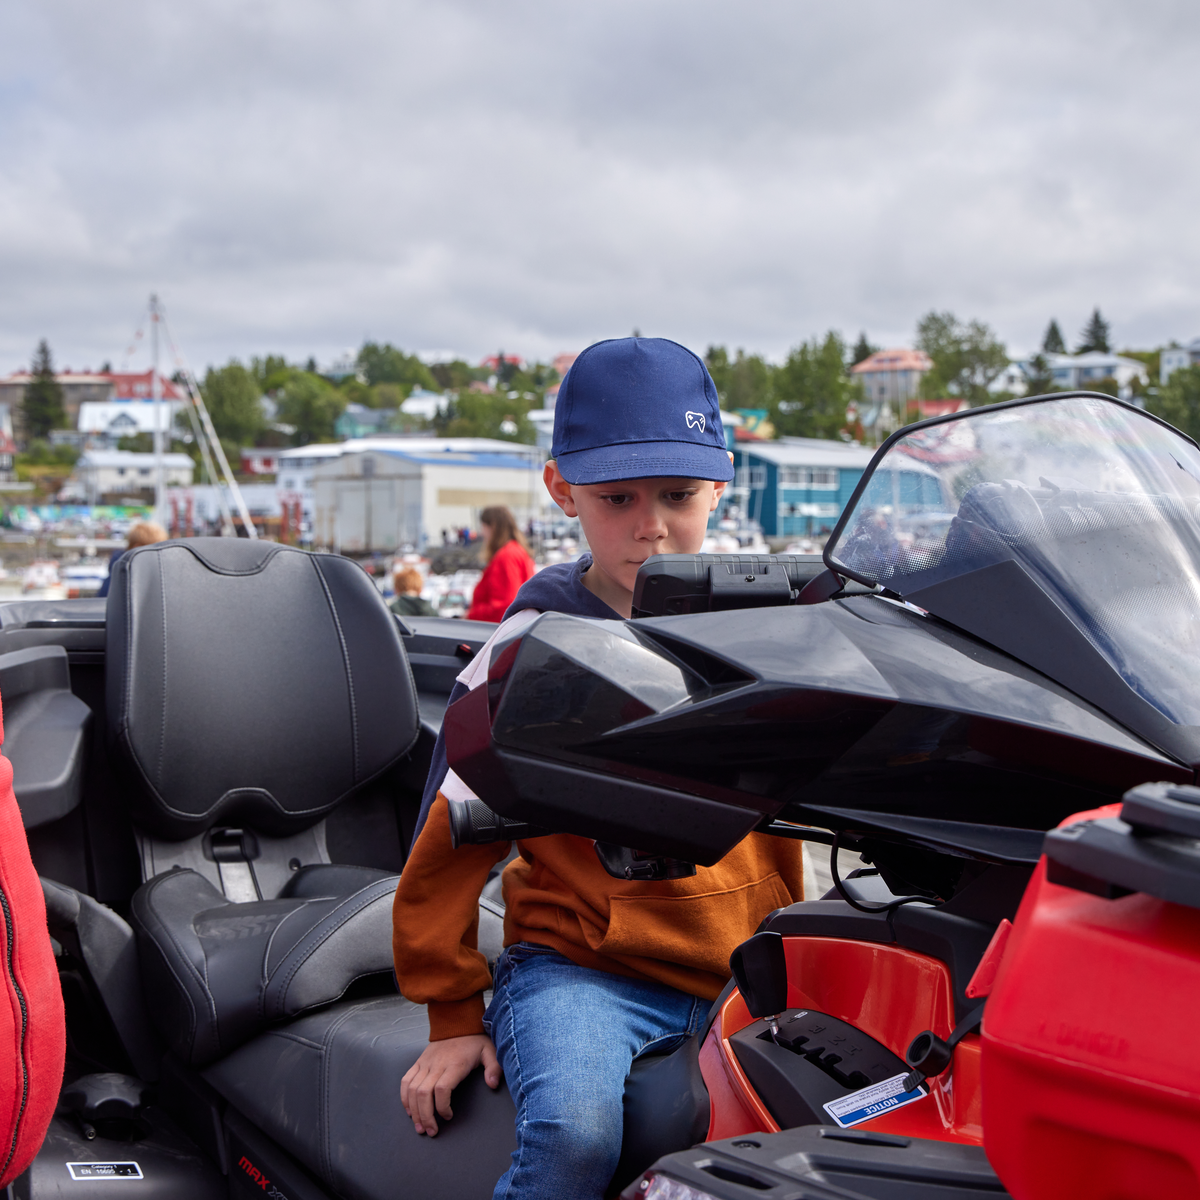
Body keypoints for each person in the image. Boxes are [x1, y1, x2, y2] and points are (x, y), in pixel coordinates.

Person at [392, 337, 807, 1200]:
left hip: (750, 968)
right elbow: (449, 834)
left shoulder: (772, 632)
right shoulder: (529, 650)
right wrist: (452, 1016)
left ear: (720, 485)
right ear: (561, 489)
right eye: (617, 498)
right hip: (586, 974)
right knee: (575, 1138)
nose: (650, 524)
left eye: (678, 494)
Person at [464, 506, 535, 622]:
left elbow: (504, 606)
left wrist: (469, 615)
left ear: (492, 527)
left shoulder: (507, 556)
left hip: (495, 628)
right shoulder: (518, 551)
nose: (482, 533)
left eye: (483, 527)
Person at [96, 520, 168, 598]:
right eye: (155, 552)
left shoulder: (117, 574)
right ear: (137, 548)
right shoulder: (121, 579)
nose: (159, 557)